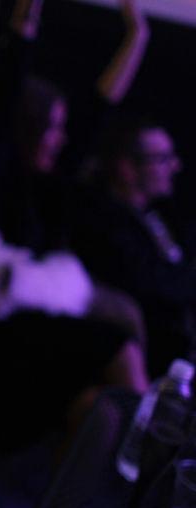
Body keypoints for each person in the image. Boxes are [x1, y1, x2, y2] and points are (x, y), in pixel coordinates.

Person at [0, 0, 151, 450]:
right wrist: (24, 26)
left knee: (98, 398)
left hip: (39, 322)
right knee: (117, 346)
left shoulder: (49, 184)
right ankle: (144, 459)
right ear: (27, 128)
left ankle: (89, 493)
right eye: (52, 129)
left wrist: (137, 38)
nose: (60, 139)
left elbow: (98, 111)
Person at [72, 119, 195, 378]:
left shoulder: (160, 213)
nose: (175, 166)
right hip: (159, 350)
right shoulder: (106, 221)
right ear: (127, 168)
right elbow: (152, 285)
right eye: (163, 159)